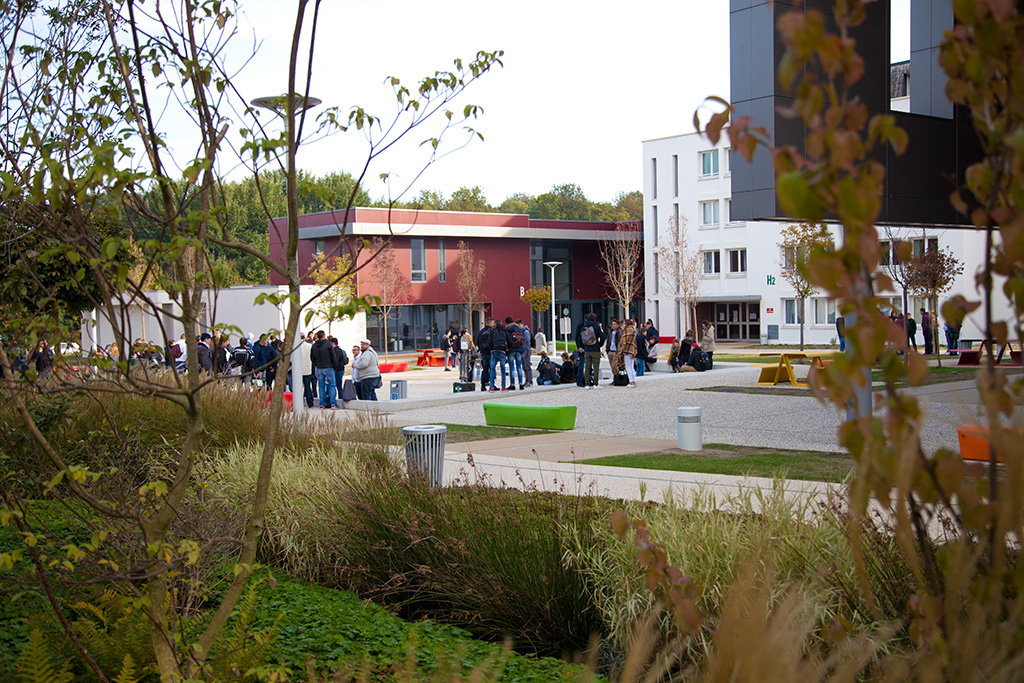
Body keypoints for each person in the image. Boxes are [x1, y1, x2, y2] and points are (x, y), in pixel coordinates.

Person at [575, 312, 606, 389]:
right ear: (595, 319)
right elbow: (602, 337)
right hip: (595, 348)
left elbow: (579, 338)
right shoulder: (596, 326)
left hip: (586, 349)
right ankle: (595, 383)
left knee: (587, 367)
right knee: (595, 367)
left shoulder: (584, 326)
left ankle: (587, 384)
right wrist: (600, 344)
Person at [310, 330, 337, 409]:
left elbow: (312, 357)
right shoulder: (328, 344)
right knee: (332, 385)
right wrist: (334, 366)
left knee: (321, 386)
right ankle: (333, 403)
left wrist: (316, 364)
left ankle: (322, 404)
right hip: (328, 367)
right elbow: (333, 356)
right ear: (324, 336)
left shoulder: (314, 346)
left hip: (319, 368)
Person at [488, 317, 510, 392]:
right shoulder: (504, 331)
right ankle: (503, 386)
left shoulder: (492, 331)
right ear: (501, 323)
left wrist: (491, 349)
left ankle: (491, 387)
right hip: (502, 351)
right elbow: (510, 341)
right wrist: (507, 349)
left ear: (495, 324)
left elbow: (489, 342)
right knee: (503, 369)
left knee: (492, 369)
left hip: (494, 351)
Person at [506, 317, 527, 390]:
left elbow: (507, 340)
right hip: (519, 350)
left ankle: (512, 384)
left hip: (511, 350)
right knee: (519, 367)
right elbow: (523, 338)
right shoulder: (519, 329)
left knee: (511, 367)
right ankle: (521, 384)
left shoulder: (508, 330)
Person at [618, 319, 638, 388]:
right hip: (632, 349)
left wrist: (621, 349)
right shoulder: (634, 330)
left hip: (626, 349)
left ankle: (631, 381)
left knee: (628, 366)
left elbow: (624, 341)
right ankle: (633, 380)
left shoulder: (626, 331)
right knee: (631, 366)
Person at [476, 318, 493, 391]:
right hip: (490, 352)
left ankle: (483, 385)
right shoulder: (492, 331)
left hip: (483, 353)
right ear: (490, 323)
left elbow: (477, 342)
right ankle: (492, 385)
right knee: (492, 368)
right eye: (492, 323)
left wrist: (481, 350)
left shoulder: (481, 331)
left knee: (485, 369)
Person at [517, 319, 534, 387]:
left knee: (527, 366)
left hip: (526, 351)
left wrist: (525, 352)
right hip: (523, 351)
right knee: (524, 366)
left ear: (521, 324)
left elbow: (527, 343)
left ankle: (529, 381)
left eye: (519, 325)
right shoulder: (522, 332)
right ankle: (527, 380)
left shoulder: (526, 332)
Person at [331, 337, 349, 403]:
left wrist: (335, 369)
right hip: (341, 369)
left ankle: (339, 399)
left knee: (336, 386)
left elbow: (336, 361)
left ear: (333, 343)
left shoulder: (335, 351)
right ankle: (340, 398)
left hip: (337, 370)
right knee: (339, 385)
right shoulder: (340, 350)